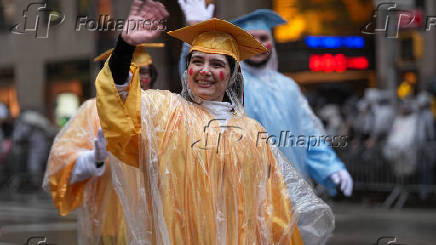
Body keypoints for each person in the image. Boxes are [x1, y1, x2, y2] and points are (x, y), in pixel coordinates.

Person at [95, 0, 328, 243]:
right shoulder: (165, 114)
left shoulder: (251, 134)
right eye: (197, 61)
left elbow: (271, 208)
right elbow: (119, 99)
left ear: (231, 76)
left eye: (216, 64)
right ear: (188, 70)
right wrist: (125, 46)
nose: (205, 70)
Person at [178, 7, 353, 198]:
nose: (258, 44)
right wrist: (194, 39)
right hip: (242, 191)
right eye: (251, 37)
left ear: (272, 42)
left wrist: (331, 167)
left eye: (264, 38)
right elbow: (197, 86)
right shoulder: (229, 83)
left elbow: (307, 132)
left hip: (291, 193)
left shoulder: (288, 87)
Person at [42, 44, 159, 244]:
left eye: (144, 72)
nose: (136, 77)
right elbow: (60, 163)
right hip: (107, 224)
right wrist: (93, 160)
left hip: (153, 223)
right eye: (127, 70)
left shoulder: (162, 109)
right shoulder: (90, 111)